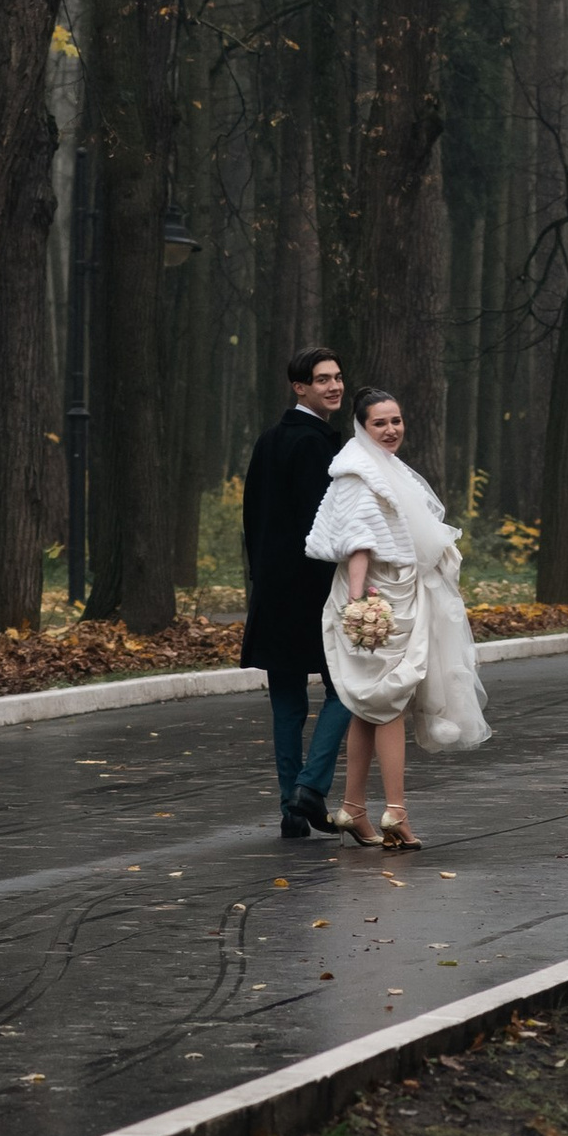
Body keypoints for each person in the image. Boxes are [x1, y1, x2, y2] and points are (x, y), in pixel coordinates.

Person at [303, 387, 490, 849]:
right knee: (387, 702)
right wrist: (360, 601)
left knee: (368, 705)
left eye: (396, 421)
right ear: (362, 428)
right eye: (380, 423)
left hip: (398, 592)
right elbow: (359, 542)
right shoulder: (358, 473)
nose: (391, 430)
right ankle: (397, 812)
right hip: (378, 601)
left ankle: (352, 807)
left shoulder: (383, 468)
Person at [239, 349, 351, 838]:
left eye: (337, 377)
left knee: (286, 703)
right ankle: (310, 787)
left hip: (273, 592)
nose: (334, 386)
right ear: (298, 387)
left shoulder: (269, 441)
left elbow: (253, 521)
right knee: (346, 688)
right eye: (321, 379)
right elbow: (323, 526)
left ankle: (291, 811)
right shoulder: (313, 446)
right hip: (312, 594)